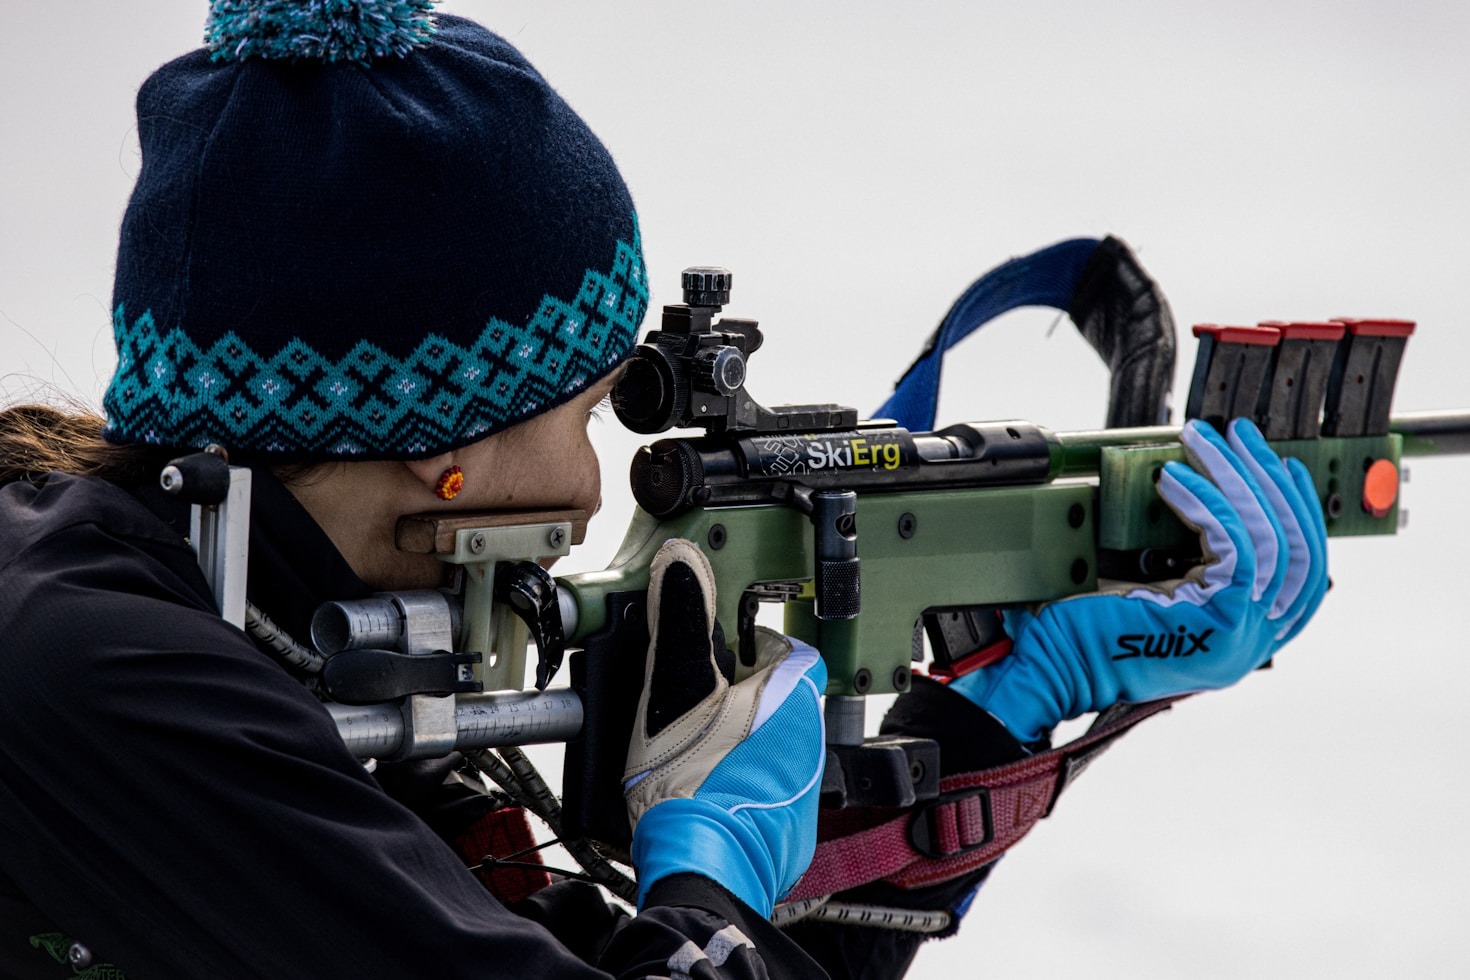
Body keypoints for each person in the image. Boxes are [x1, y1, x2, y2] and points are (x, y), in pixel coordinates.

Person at [0, 3, 1328, 978]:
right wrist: (709, 865)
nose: (592, 492)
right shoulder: (98, 677)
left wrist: (994, 716)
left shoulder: (257, 630)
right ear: (433, 437)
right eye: (585, 416)